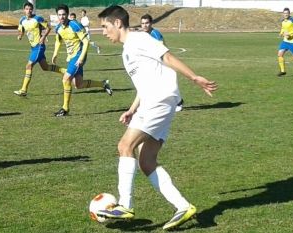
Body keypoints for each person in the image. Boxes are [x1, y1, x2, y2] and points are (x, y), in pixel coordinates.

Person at [95, 5, 218, 230]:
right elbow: (145, 83)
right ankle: (183, 206)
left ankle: (125, 205)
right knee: (146, 161)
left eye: (105, 26)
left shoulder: (139, 40)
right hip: (157, 101)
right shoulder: (128, 49)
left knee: (124, 146)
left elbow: (167, 56)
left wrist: (194, 78)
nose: (103, 32)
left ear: (118, 23)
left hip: (159, 100)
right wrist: (132, 109)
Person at [52, 4, 113, 117]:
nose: (62, 17)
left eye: (64, 14)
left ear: (67, 14)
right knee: (78, 84)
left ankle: (65, 108)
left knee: (66, 79)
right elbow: (58, 41)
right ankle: (103, 84)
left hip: (79, 55)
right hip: (71, 57)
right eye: (59, 15)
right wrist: (55, 54)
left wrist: (81, 57)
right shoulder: (58, 28)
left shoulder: (75, 25)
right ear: (57, 16)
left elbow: (86, 42)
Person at [13, 2, 67, 97]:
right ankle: (65, 71)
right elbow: (21, 30)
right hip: (33, 47)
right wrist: (20, 35)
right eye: (26, 9)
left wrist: (43, 37)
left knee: (29, 66)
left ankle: (23, 90)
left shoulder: (38, 19)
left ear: (32, 10)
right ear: (24, 10)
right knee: (45, 67)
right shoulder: (22, 20)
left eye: (30, 9)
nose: (28, 11)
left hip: (39, 46)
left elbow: (48, 27)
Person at [140, 13, 184, 112]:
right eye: (142, 23)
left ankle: (179, 102)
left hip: (163, 62)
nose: (144, 25)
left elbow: (161, 47)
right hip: (154, 63)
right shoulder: (143, 34)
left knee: (169, 83)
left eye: (146, 23)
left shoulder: (155, 33)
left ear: (151, 23)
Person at [277, 8, 293, 77]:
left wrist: (289, 33)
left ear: (289, 13)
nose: (286, 14)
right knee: (280, 54)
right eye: (284, 13)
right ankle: (283, 71)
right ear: (283, 14)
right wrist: (281, 33)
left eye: (287, 13)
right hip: (285, 41)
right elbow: (283, 28)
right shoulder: (283, 21)